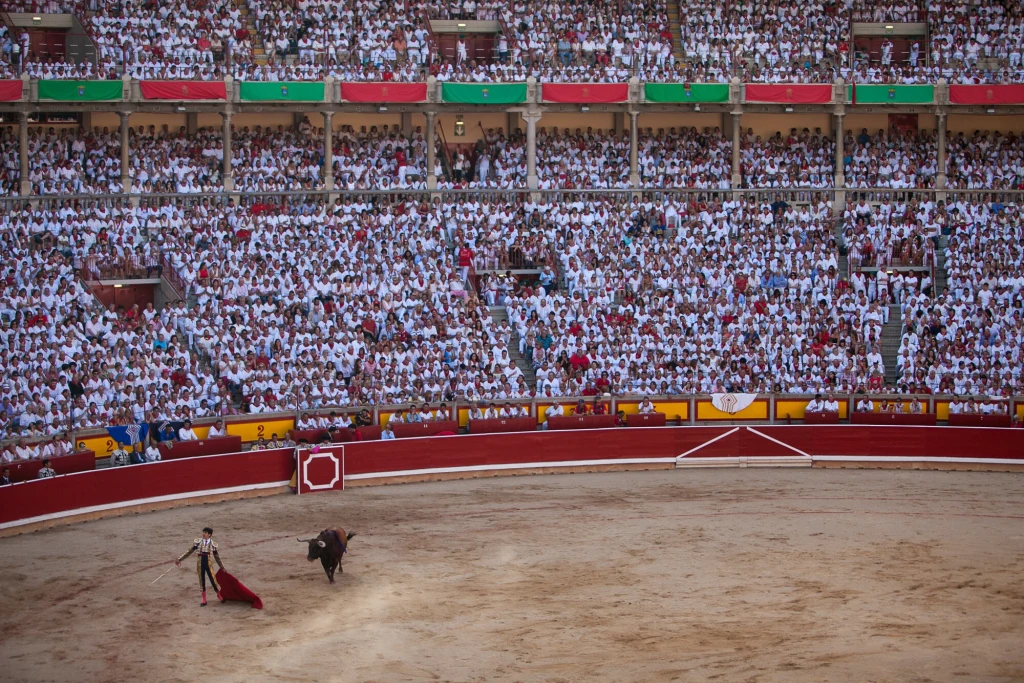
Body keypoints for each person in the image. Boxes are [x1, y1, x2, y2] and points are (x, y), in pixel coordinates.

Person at [175, 526, 225, 607]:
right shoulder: (198, 542)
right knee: (201, 580)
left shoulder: (213, 544)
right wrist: (180, 559)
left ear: (209, 534)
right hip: (200, 563)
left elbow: (217, 557)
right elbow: (189, 551)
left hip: (208, 563)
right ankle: (204, 600)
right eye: (203, 532)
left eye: (205, 532)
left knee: (213, 580)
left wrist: (222, 567)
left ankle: (219, 595)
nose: (203, 534)